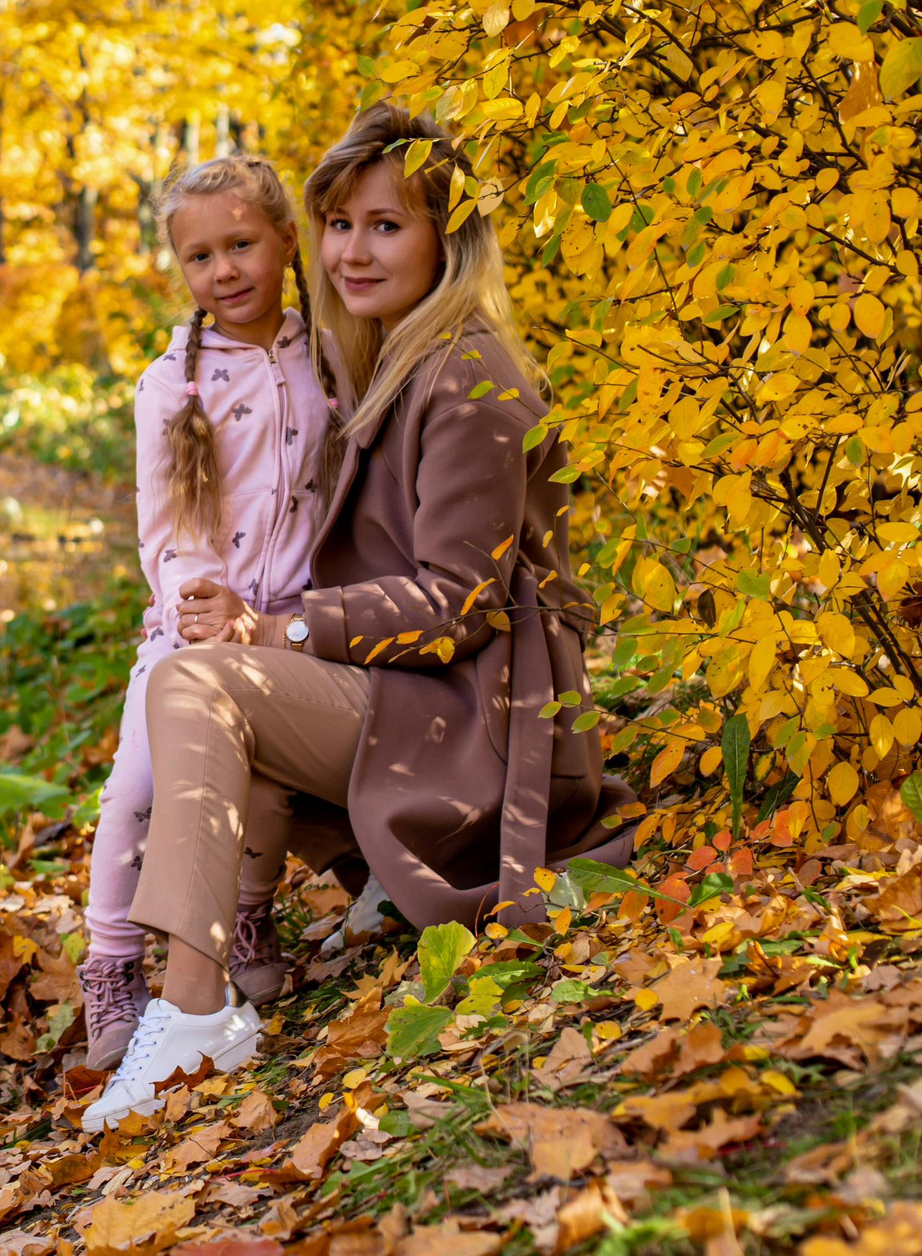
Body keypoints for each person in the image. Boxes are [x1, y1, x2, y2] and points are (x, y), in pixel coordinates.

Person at [81, 105, 638, 1132]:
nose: (352, 249)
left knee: (197, 678)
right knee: (194, 675)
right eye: (338, 224)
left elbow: (457, 603)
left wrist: (278, 630)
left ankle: (193, 1010)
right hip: (413, 694)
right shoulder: (383, 359)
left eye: (385, 225)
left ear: (445, 234)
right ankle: (202, 981)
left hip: (477, 717)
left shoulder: (469, 375)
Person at [79, 156, 341, 1070]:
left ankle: (248, 914)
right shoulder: (170, 385)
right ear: (181, 270)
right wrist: (203, 608)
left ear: (283, 242)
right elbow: (166, 531)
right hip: (195, 622)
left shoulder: (329, 358)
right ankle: (111, 962)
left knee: (271, 781)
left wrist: (289, 613)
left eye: (241, 245)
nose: (225, 271)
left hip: (297, 619)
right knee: (141, 787)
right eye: (201, 257)